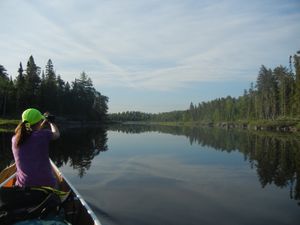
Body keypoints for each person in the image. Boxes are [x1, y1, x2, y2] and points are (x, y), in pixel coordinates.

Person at [11, 108, 60, 188]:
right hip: (47, 184)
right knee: (56, 182)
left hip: (23, 185)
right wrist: (52, 122)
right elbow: (57, 134)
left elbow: (33, 133)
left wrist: (43, 121)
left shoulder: (15, 139)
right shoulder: (43, 135)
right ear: (38, 122)